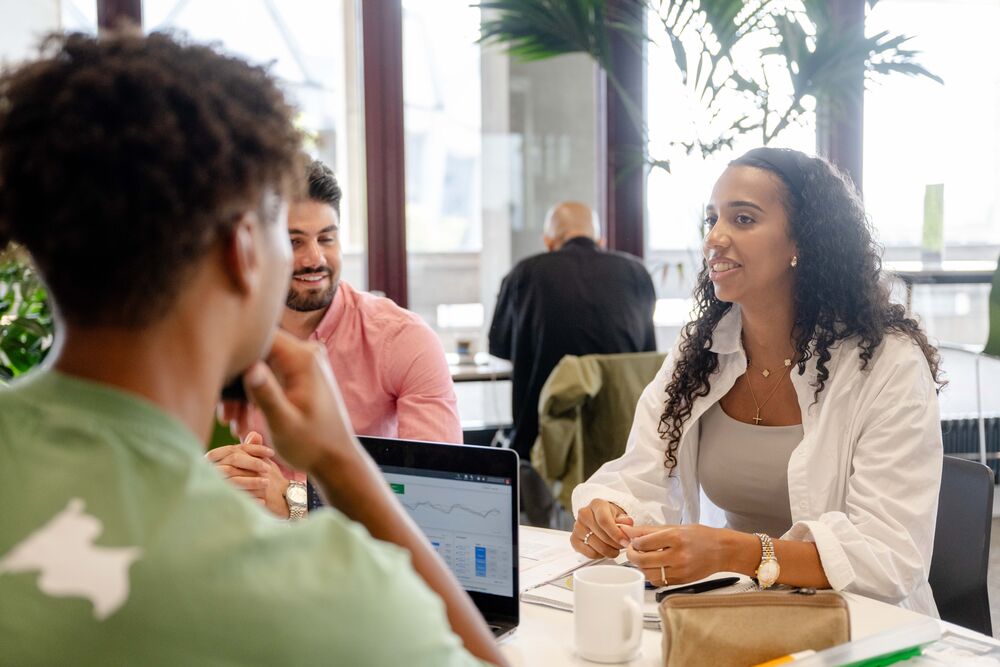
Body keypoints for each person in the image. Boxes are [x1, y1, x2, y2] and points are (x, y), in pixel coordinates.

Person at [0, 31, 503, 666]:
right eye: (282, 233)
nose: (309, 259)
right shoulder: (326, 595)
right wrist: (344, 468)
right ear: (244, 250)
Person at [570, 148, 944, 617]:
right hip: (739, 613)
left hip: (863, 627)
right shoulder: (701, 350)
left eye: (743, 219)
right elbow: (642, 472)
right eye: (712, 219)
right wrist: (611, 513)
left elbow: (888, 559)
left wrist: (734, 552)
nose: (715, 239)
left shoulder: (887, 363)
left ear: (802, 243)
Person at [212, 160, 463, 518]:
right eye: (294, 241)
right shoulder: (223, 336)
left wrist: (294, 500)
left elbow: (440, 499)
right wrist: (214, 476)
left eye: (326, 238)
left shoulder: (405, 339)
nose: (315, 258)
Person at [488, 201, 656, 460]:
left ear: (549, 241)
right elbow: (645, 354)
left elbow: (499, 346)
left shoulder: (525, 273)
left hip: (544, 440)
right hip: (622, 440)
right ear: (600, 239)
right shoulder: (636, 273)